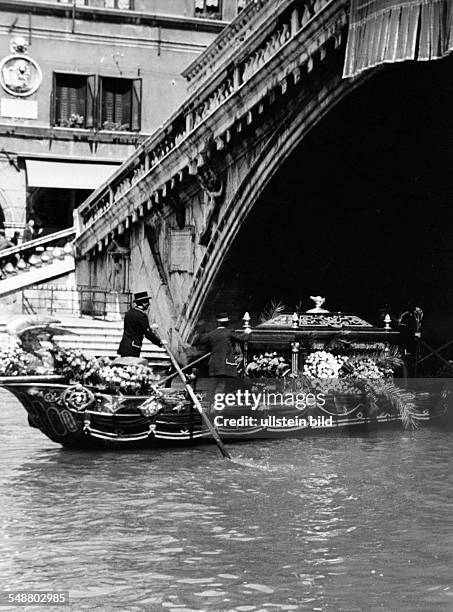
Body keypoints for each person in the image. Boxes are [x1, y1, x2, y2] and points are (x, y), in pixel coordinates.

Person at [199, 313, 252, 403]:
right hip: (226, 365)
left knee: (212, 386)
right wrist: (248, 332)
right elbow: (242, 339)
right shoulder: (229, 332)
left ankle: (210, 405)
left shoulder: (211, 334)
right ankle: (230, 402)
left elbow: (207, 348)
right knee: (233, 384)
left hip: (214, 364)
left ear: (218, 323)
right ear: (226, 323)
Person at [117, 291, 164, 358]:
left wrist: (149, 327)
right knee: (132, 366)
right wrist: (159, 343)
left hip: (124, 346)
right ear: (143, 303)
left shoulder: (129, 313)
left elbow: (134, 328)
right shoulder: (142, 316)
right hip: (134, 347)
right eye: (147, 302)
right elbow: (147, 333)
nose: (149, 304)